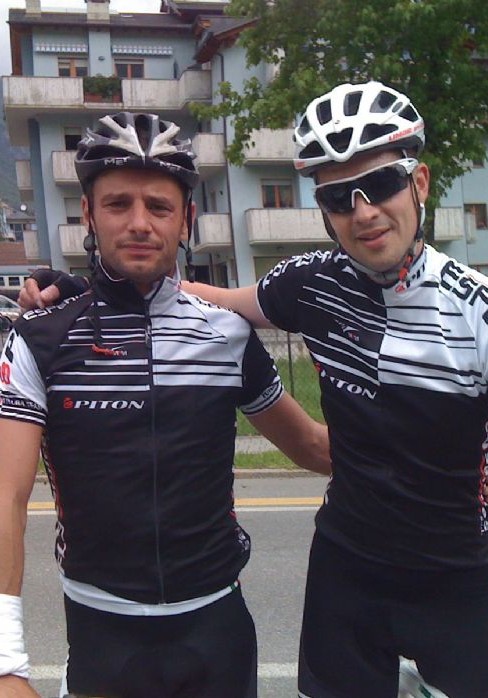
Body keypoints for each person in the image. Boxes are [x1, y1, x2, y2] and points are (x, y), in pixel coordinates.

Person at [17, 85, 488, 698]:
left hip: (451, 574)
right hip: (345, 567)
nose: (363, 213)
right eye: (337, 197)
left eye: (380, 185)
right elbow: (200, 297)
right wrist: (80, 296)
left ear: (420, 183)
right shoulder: (309, 282)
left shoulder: (483, 314)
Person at [0, 111, 332, 698]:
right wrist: (6, 661)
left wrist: (449, 465)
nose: (139, 223)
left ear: (186, 221)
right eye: (117, 204)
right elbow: (6, 496)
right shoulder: (39, 338)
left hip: (217, 629)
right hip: (103, 632)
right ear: (88, 215)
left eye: (158, 206)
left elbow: (310, 445)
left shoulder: (226, 334)